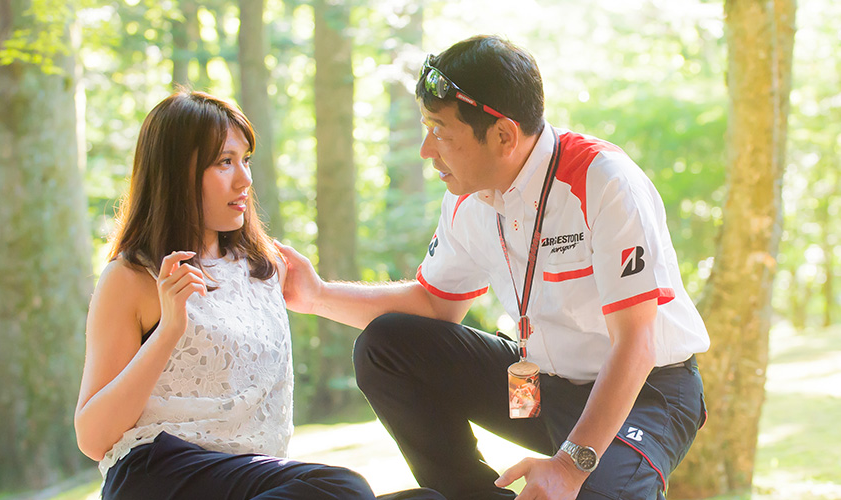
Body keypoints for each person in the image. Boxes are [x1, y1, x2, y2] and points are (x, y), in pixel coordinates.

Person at [276, 35, 709, 500]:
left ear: (503, 135)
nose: (426, 150)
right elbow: (434, 306)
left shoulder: (604, 181)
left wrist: (568, 466)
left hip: (645, 390)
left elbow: (636, 342)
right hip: (540, 385)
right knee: (386, 345)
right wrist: (316, 296)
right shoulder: (466, 197)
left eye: (441, 132)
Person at [74, 89, 444, 500]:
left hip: (250, 481)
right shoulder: (131, 277)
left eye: (245, 160)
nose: (244, 179)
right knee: (342, 487)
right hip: (156, 475)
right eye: (224, 162)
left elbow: (421, 307)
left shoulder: (264, 267)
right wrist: (168, 331)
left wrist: (319, 292)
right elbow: (94, 438)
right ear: (176, 174)